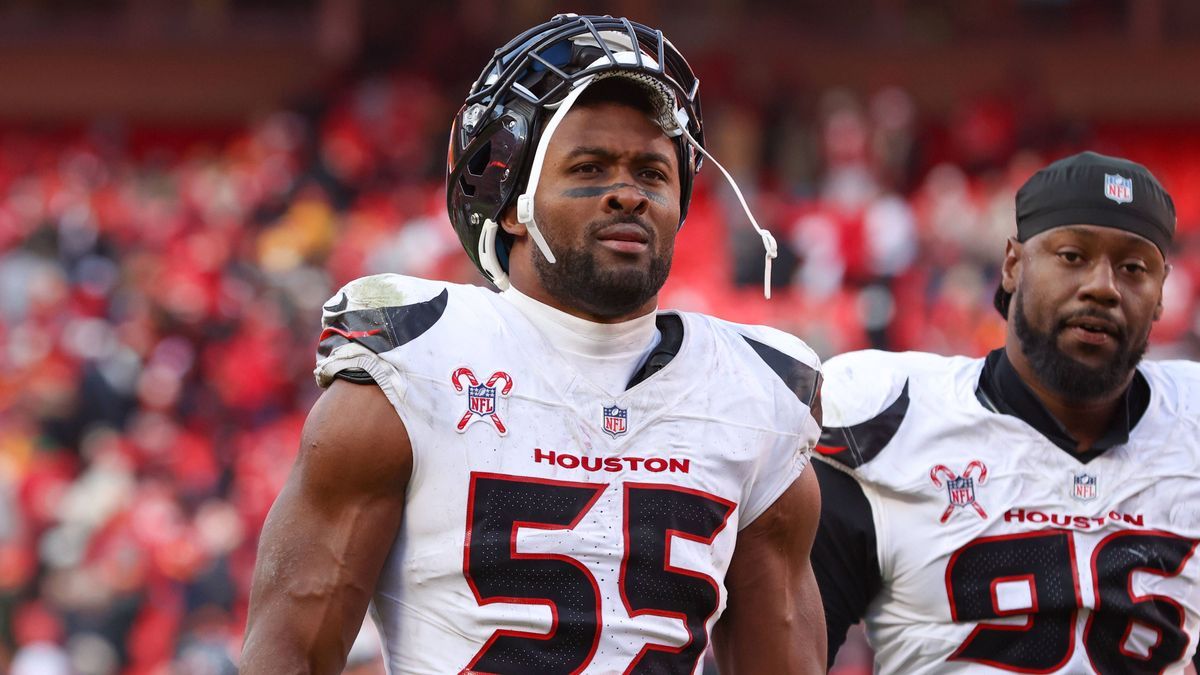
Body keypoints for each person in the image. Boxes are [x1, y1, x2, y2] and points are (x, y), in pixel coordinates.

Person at [241, 14, 827, 674]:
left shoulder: (752, 396)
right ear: (513, 202)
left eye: (652, 173)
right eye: (590, 167)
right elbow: (289, 654)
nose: (627, 194)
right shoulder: (418, 363)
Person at [812, 151, 1200, 674]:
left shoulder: (1191, 426)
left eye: (1134, 268)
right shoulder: (890, 418)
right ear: (1013, 265)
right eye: (1072, 255)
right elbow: (786, 649)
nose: (1103, 286)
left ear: (1160, 295)